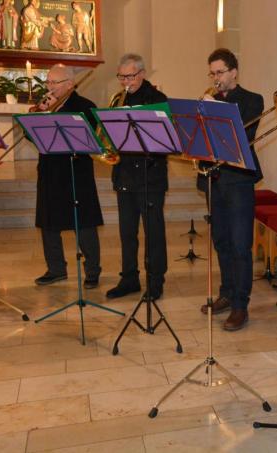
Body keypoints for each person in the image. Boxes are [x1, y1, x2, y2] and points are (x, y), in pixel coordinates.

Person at [196, 48, 264, 331]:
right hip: (214, 178)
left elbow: (242, 136)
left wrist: (214, 110)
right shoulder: (209, 98)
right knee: (221, 241)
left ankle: (240, 305)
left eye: (220, 72)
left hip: (238, 180)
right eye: (212, 73)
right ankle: (226, 292)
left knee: (239, 245)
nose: (216, 78)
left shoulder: (252, 100)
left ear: (234, 71)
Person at [105, 54, 169, 301]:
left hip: (149, 176)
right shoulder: (117, 100)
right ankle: (129, 278)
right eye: (121, 76)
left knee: (153, 231)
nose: (125, 81)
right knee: (126, 231)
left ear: (142, 74)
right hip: (123, 174)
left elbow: (163, 141)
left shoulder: (157, 100)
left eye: (129, 76)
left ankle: (155, 280)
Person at [33, 64, 103, 288]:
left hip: (75, 171)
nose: (50, 87)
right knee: (48, 222)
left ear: (70, 84)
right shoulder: (43, 107)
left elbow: (90, 138)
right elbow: (31, 134)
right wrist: (42, 112)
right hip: (49, 170)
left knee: (84, 223)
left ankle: (92, 270)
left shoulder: (85, 106)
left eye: (55, 83)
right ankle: (56, 269)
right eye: (48, 82)